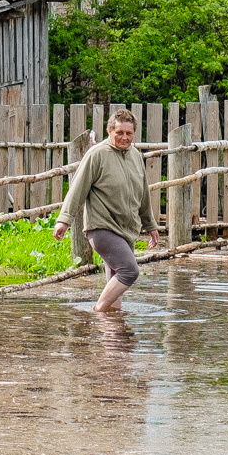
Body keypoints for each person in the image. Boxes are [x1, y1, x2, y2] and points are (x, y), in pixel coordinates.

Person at [53, 109, 160, 312]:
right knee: (129, 271)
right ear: (109, 131)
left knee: (116, 288)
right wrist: (64, 220)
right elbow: (78, 188)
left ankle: (111, 331)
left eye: (129, 133)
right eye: (119, 132)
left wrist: (150, 225)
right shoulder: (97, 154)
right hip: (102, 228)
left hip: (127, 230)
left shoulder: (136, 156)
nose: (124, 137)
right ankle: (98, 311)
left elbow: (143, 193)